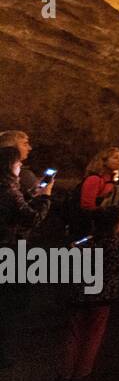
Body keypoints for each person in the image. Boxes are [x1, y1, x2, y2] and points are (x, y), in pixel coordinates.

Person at [49, 204, 119, 381]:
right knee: (93, 337)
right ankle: (80, 377)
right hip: (103, 297)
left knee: (73, 335)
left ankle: (63, 376)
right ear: (118, 224)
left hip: (80, 294)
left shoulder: (86, 243)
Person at [0, 145, 53, 368]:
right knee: (8, 304)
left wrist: (32, 195)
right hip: (8, 250)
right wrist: (45, 198)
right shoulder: (9, 190)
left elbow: (16, 209)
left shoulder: (8, 188)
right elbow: (31, 218)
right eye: (18, 163)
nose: (20, 166)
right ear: (10, 166)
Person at [75, 147, 119, 241]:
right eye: (115, 157)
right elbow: (87, 207)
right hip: (89, 228)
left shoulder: (110, 181)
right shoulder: (94, 180)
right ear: (104, 161)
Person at [0, 131, 38, 199]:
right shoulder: (23, 175)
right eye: (25, 144)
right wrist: (45, 195)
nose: (30, 148)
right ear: (11, 148)